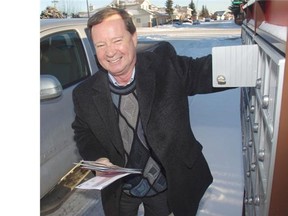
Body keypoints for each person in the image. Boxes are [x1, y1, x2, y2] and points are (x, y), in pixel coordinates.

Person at [72, 7, 225, 216]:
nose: (110, 52)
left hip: (166, 188)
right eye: (101, 44)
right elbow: (83, 131)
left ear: (134, 37)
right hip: (121, 191)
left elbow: (206, 71)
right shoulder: (84, 93)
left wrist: (250, 63)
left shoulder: (165, 67)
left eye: (117, 40)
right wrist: (97, 158)